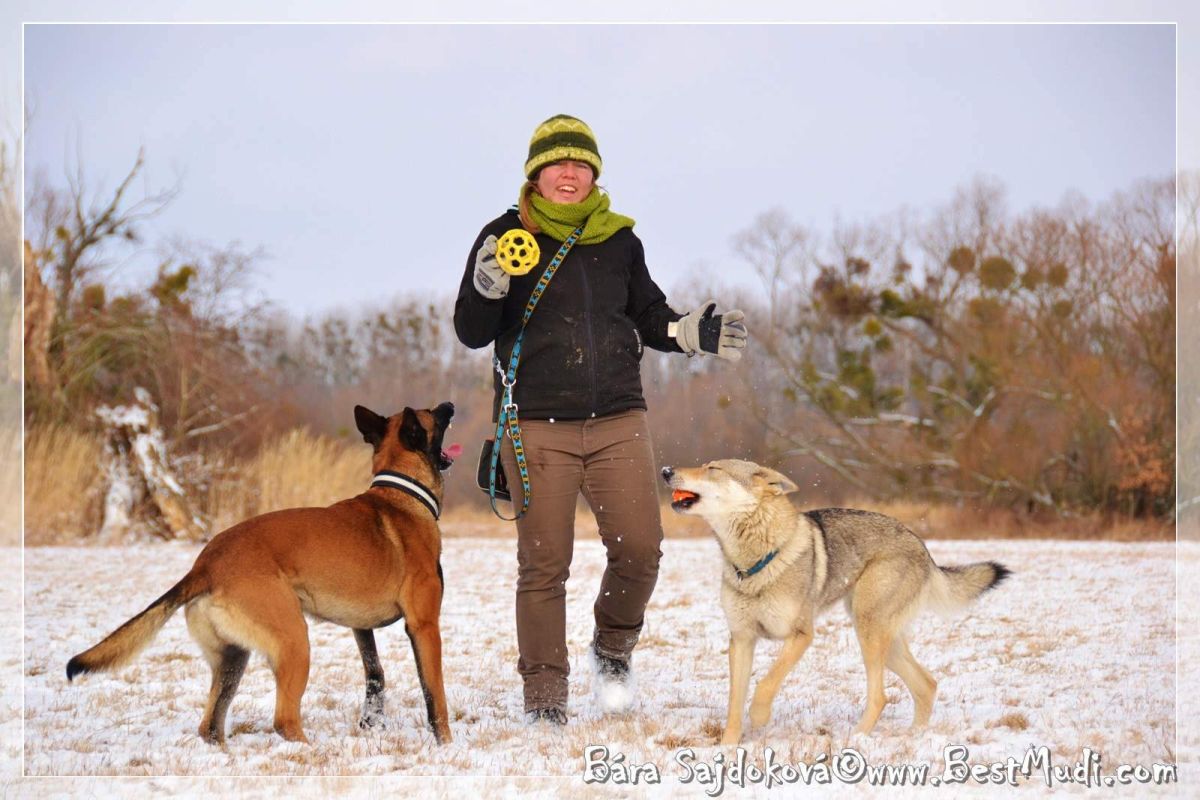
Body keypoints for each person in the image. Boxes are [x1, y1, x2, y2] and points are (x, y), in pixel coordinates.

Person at [454, 114, 748, 724]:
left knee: (641, 548)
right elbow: (473, 332)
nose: (569, 173)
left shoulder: (620, 242)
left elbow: (649, 315)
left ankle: (612, 649)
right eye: (557, 163)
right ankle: (544, 700)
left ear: (594, 173)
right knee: (544, 562)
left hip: (617, 418)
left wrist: (689, 332)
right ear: (536, 172)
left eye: (580, 163)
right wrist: (487, 286)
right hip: (535, 424)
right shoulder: (505, 235)